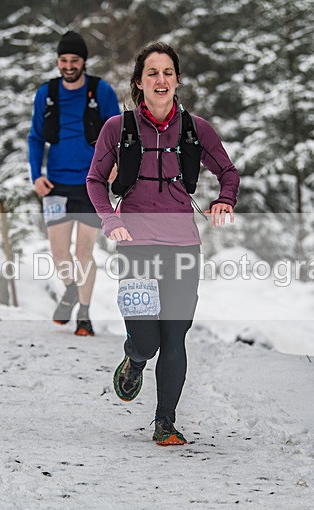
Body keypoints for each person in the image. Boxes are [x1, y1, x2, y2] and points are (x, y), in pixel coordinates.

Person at [86, 42, 240, 445]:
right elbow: (95, 182)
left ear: (177, 80)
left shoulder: (196, 129)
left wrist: (225, 199)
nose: (161, 79)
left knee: (174, 336)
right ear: (139, 82)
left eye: (168, 72)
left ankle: (165, 422)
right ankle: (134, 359)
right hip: (135, 244)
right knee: (148, 341)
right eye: (152, 72)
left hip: (183, 246)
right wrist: (110, 219)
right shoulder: (116, 129)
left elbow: (228, 172)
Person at [28, 30, 121, 336]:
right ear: (58, 61)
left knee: (84, 253)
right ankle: (70, 290)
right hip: (55, 184)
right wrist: (36, 175)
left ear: (84, 61)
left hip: (91, 184)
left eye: (75, 60)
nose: (69, 65)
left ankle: (84, 313)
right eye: (64, 60)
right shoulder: (47, 93)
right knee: (58, 253)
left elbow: (116, 132)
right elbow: (36, 137)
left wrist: (115, 165)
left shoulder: (101, 91)